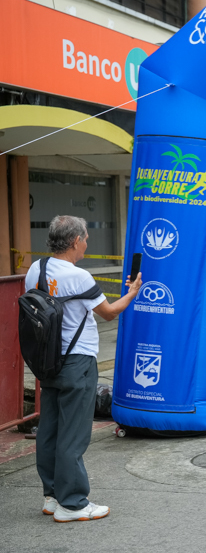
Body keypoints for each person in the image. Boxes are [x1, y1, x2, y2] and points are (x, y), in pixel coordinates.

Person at [24, 216, 143, 522]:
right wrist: (132, 293)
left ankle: (52, 496)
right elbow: (109, 313)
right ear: (76, 241)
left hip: (47, 361)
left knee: (49, 429)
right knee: (74, 435)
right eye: (86, 238)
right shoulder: (79, 276)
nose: (87, 243)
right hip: (77, 361)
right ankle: (73, 503)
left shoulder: (36, 269)